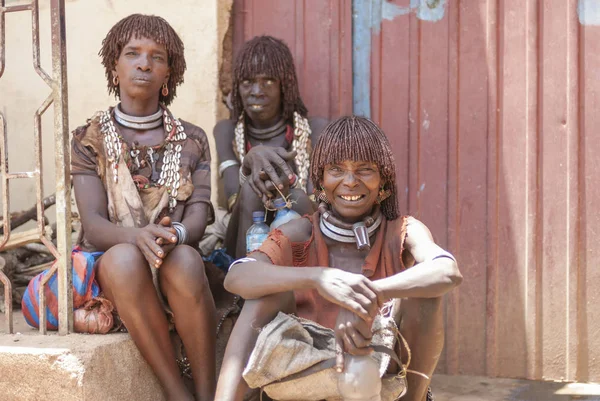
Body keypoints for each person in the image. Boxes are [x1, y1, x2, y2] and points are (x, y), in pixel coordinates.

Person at [215, 116, 463, 401]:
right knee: (263, 294)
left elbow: (447, 270)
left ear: (384, 183)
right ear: (320, 181)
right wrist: (320, 278)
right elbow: (237, 277)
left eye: (365, 170)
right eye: (337, 170)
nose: (349, 181)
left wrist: (366, 297)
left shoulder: (401, 232)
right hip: (307, 378)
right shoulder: (301, 232)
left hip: (379, 377)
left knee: (425, 293)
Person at [70, 14, 215, 401]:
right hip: (116, 270)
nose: (144, 63)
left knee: (186, 260)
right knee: (123, 259)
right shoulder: (89, 139)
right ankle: (176, 394)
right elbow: (94, 225)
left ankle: (208, 393)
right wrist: (138, 237)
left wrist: (173, 236)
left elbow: (199, 214)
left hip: (172, 261)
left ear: (169, 73)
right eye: (132, 53)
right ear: (114, 68)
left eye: (157, 57)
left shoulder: (193, 139)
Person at [214, 35, 327, 258]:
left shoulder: (315, 130)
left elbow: (318, 200)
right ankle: (247, 282)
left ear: (284, 85)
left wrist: (287, 191)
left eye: (268, 81)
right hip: (243, 232)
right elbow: (233, 199)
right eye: (247, 82)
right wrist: (252, 159)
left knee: (300, 198)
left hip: (303, 228)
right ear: (237, 88)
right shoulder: (226, 130)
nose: (257, 90)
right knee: (250, 188)